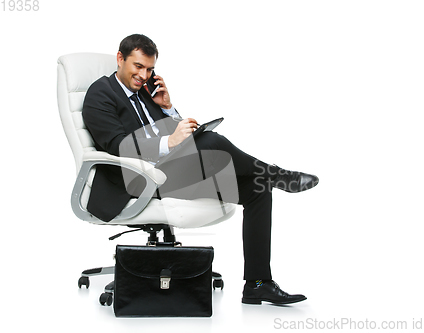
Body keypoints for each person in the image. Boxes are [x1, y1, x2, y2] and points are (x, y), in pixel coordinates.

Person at [82, 34, 319, 305]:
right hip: (137, 182)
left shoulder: (145, 92)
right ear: (120, 59)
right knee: (210, 141)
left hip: (168, 174)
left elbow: (173, 137)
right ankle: (278, 175)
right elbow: (116, 146)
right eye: (137, 66)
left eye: (149, 69)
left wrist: (168, 109)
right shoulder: (100, 93)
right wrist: (171, 141)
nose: (143, 75)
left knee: (257, 188)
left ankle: (258, 283)